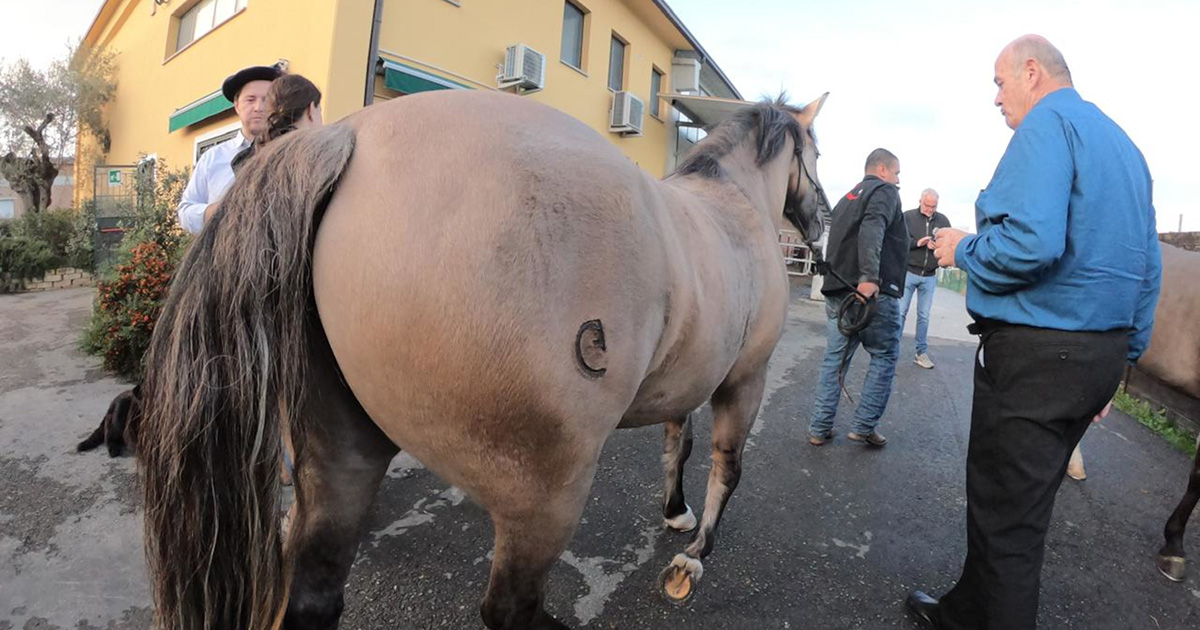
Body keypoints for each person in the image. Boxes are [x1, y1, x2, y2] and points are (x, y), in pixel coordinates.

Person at [907, 35, 1162, 630]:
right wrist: (1121, 361)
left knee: (1008, 525)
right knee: (1016, 509)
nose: (996, 97)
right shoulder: (1127, 149)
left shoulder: (1046, 126)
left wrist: (961, 247)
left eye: (999, 82)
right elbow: (1148, 268)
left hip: (1035, 358)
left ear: (1031, 72)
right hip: (1094, 358)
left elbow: (1031, 244)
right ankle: (964, 612)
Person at [807, 148, 908, 448]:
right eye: (897, 172)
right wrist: (869, 279)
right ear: (882, 169)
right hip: (870, 292)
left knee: (835, 361)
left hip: (838, 291)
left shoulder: (846, 199)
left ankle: (819, 427)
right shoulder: (884, 192)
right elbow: (873, 227)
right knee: (884, 355)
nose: (898, 179)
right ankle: (863, 427)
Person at [175, 64, 281, 234]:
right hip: (224, 257)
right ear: (237, 106)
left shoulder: (290, 156)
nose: (259, 107)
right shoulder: (213, 158)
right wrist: (218, 211)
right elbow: (185, 212)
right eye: (250, 99)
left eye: (267, 99)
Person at [899, 188, 951, 369]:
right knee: (900, 312)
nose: (930, 209)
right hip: (908, 273)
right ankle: (891, 350)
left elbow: (948, 244)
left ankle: (921, 353)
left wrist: (938, 246)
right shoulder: (907, 217)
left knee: (924, 316)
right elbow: (899, 240)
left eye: (933, 206)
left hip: (929, 276)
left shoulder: (943, 220)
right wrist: (918, 243)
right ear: (920, 201)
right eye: (927, 205)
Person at [230, 72, 323, 172]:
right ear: (312, 109)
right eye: (250, 100)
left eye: (265, 101)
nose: (258, 108)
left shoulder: (246, 162)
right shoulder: (321, 158)